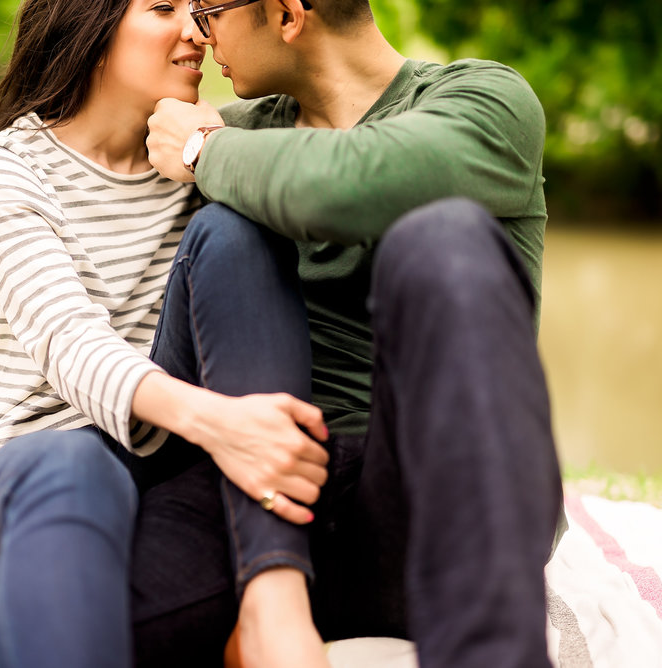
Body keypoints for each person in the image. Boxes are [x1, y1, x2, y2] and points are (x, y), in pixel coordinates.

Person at [0, 0, 337, 666]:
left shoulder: (202, 165)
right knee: (73, 459)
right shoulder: (4, 166)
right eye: (165, 8)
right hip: (21, 472)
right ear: (92, 29)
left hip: (160, 467)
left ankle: (274, 602)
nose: (197, 31)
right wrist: (222, 423)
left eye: (199, 12)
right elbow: (71, 347)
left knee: (237, 235)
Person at [134, 0, 567, 665]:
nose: (198, 31)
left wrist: (202, 149)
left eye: (209, 9)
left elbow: (354, 180)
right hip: (261, 509)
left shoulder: (485, 101)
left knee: (445, 236)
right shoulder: (235, 134)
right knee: (56, 607)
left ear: (285, 14)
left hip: (418, 512)